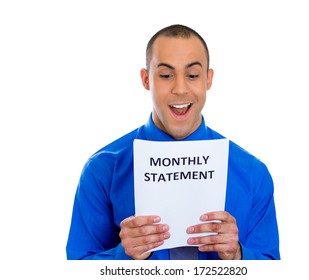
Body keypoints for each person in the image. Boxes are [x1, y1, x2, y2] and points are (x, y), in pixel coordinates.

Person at [66, 24, 280, 260]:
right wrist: (125, 257)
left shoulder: (253, 173)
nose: (180, 89)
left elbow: (272, 266)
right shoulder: (102, 169)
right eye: (166, 75)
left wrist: (238, 256)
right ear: (146, 80)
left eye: (192, 75)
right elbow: (78, 265)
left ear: (208, 80)